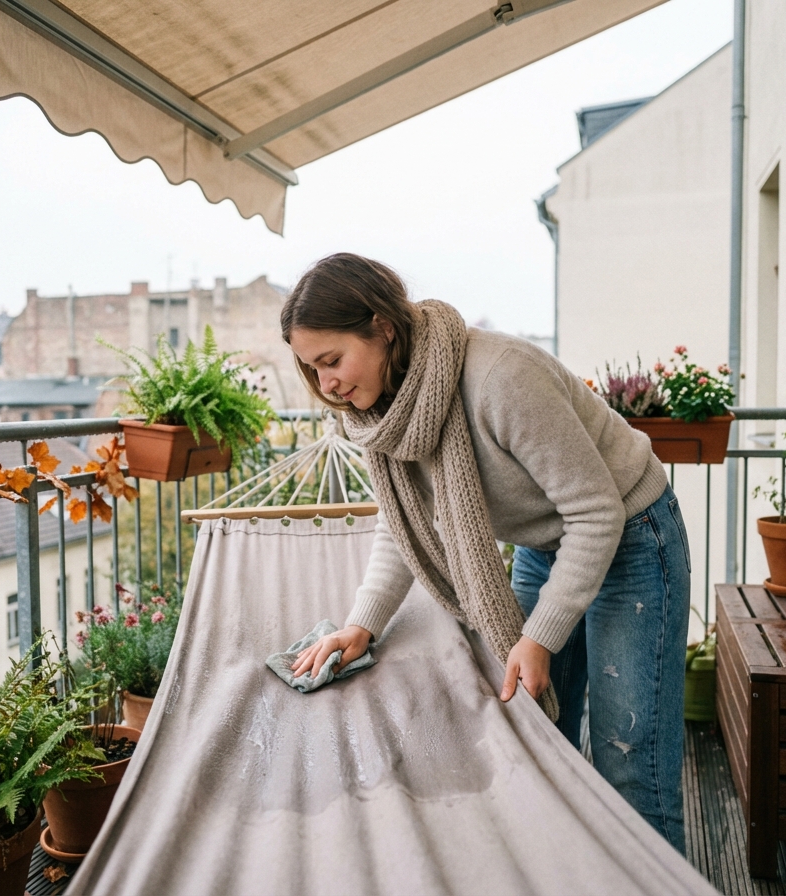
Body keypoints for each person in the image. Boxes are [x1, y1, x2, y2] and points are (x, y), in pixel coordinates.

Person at [282, 253, 690, 852]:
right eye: (311, 370)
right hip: (546, 544)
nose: (327, 387)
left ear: (383, 327)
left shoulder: (501, 378)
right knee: (532, 731)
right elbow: (403, 526)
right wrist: (360, 625)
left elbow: (595, 511)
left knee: (629, 765)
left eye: (332, 361)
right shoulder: (381, 415)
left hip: (630, 535)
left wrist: (540, 634)